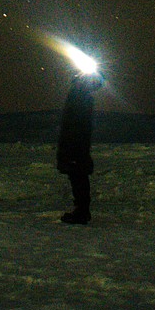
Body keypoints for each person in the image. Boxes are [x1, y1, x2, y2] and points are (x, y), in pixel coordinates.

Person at [56, 69, 102, 224]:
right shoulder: (80, 96)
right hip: (75, 143)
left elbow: (75, 124)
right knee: (77, 176)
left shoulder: (80, 97)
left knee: (78, 176)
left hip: (75, 143)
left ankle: (81, 211)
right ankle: (81, 210)